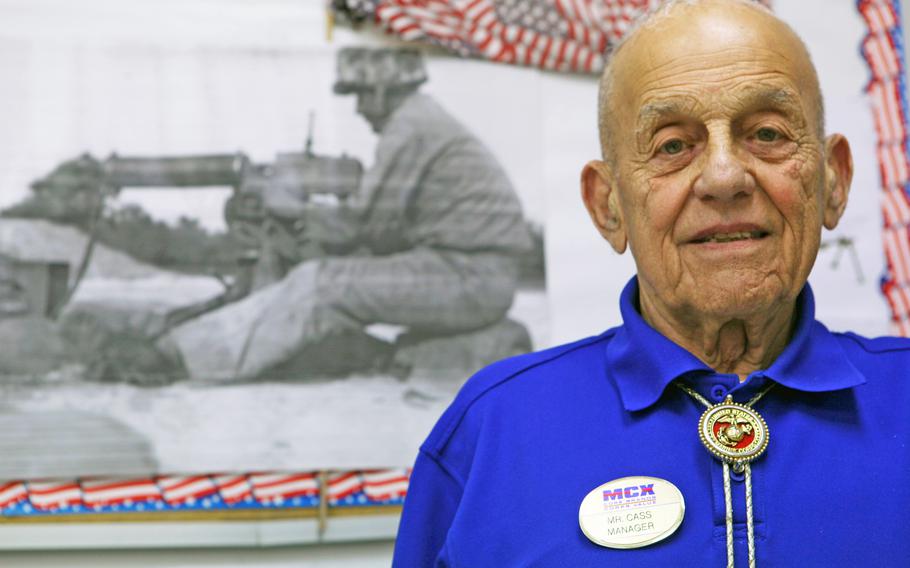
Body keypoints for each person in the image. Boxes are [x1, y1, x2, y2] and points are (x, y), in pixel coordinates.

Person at [393, 0, 910, 566]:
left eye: (766, 132)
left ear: (833, 181)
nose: (723, 177)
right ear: (608, 205)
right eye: (671, 145)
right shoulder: (493, 428)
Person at [131, 47, 533, 382]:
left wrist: (296, 210)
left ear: (380, 89)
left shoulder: (410, 127)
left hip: (467, 277)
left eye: (360, 94)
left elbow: (366, 227)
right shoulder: (424, 119)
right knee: (330, 276)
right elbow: (381, 230)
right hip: (472, 273)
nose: (358, 109)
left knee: (320, 284)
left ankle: (180, 357)